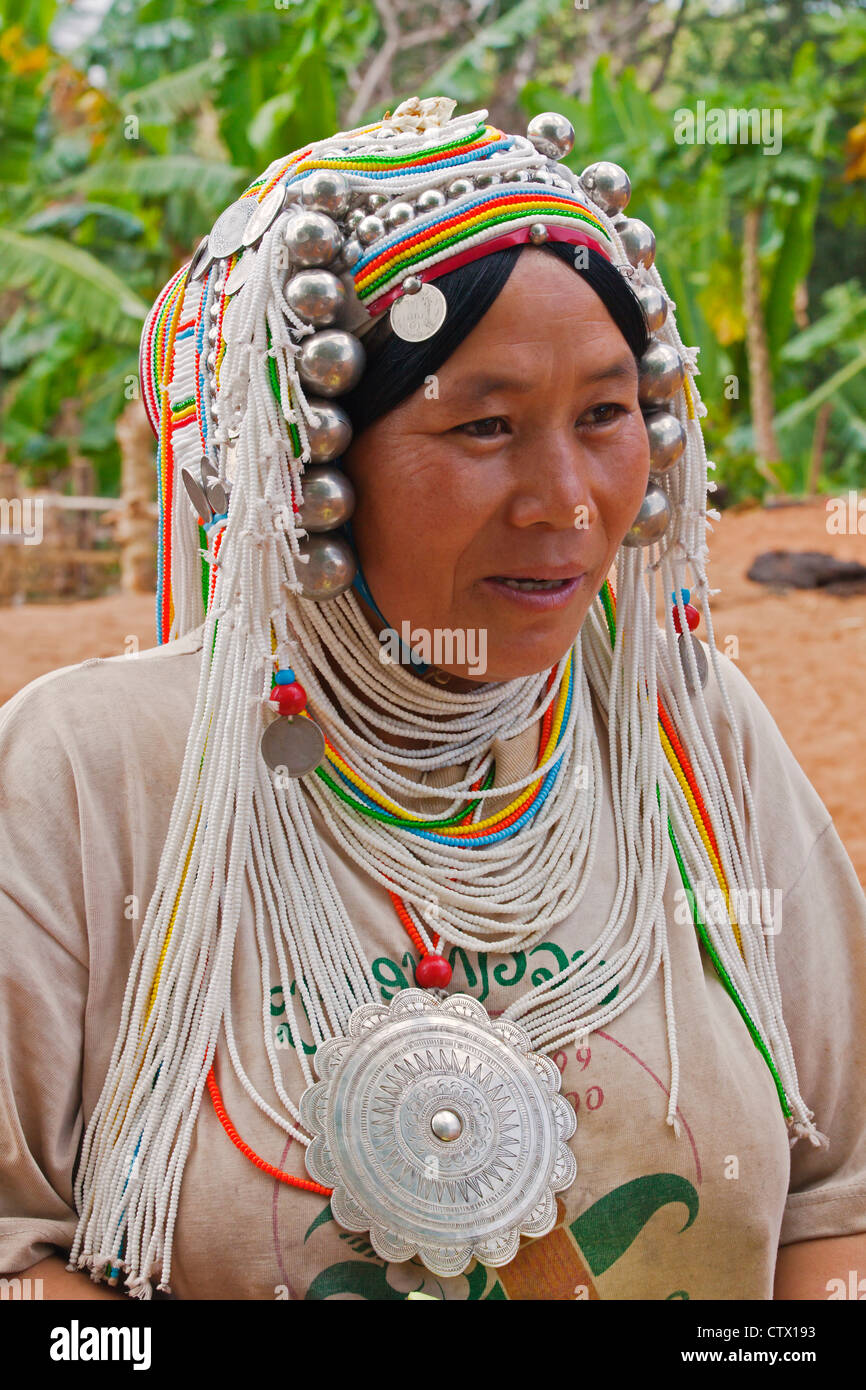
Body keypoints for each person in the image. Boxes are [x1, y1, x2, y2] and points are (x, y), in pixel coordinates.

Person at [2, 95, 866, 1303]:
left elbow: (841, 1206)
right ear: (309, 466)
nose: (566, 501)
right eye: (485, 425)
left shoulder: (688, 739)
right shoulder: (97, 774)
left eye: (607, 414)